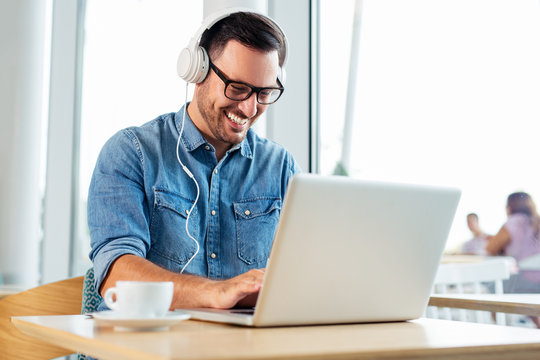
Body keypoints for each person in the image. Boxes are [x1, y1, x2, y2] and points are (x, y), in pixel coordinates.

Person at [87, 9, 300, 311]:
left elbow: (303, 275)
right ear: (197, 72)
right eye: (237, 88)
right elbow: (117, 276)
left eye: (264, 93)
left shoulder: (281, 168)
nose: (250, 108)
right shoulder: (131, 152)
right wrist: (216, 293)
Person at [486, 192, 540, 292]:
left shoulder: (514, 222)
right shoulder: (537, 221)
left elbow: (490, 248)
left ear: (509, 206)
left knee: (488, 285)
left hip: (524, 280)